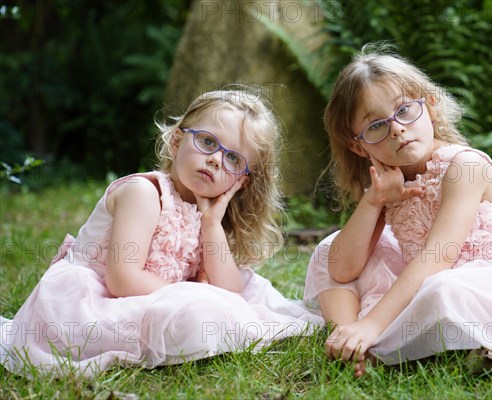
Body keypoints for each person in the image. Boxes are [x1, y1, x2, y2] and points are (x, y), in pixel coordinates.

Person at [0, 88, 323, 377]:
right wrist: (190, 294)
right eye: (208, 142)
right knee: (204, 307)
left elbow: (231, 289)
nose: (214, 160)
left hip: (142, 296)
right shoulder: (144, 192)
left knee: (248, 292)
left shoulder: (204, 213)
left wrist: (211, 226)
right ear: (177, 140)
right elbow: (122, 279)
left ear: (242, 181)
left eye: (233, 159)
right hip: (91, 302)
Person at [304, 48, 492, 377]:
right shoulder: (389, 182)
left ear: (430, 107)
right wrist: (374, 201)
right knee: (328, 251)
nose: (396, 130)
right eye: (376, 125)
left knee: (443, 289)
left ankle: (482, 349)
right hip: (425, 282)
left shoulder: (465, 166)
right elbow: (342, 269)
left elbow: (437, 258)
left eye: (404, 110)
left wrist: (374, 322)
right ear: (358, 146)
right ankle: (350, 342)